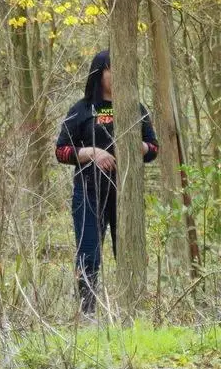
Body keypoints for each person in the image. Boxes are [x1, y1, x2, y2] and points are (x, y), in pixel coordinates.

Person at [55, 49, 159, 316]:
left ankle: (132, 310)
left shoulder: (135, 109)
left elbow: (154, 148)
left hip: (125, 193)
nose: (116, 75)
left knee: (127, 252)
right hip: (88, 192)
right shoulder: (81, 110)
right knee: (89, 253)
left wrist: (140, 148)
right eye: (111, 69)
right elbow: (61, 151)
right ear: (99, 73)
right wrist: (91, 153)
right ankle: (88, 312)